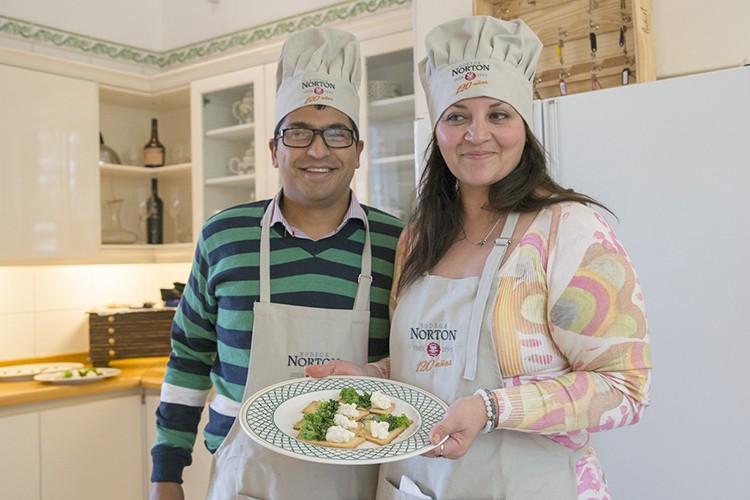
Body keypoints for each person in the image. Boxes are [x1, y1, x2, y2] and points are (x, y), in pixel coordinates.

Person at [306, 16, 652, 499]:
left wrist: (492, 409)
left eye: (498, 115)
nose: (476, 133)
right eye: (457, 116)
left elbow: (624, 387)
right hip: (418, 484)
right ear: (438, 131)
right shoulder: (418, 239)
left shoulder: (569, 231)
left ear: (524, 126)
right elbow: (428, 366)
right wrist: (374, 376)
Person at [149, 26, 404, 500]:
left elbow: (410, 366)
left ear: (358, 153)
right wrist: (166, 475)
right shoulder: (224, 237)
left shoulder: (399, 242)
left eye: (337, 134)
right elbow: (188, 357)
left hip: (361, 477)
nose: (317, 149)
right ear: (274, 150)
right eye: (298, 133)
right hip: (245, 476)